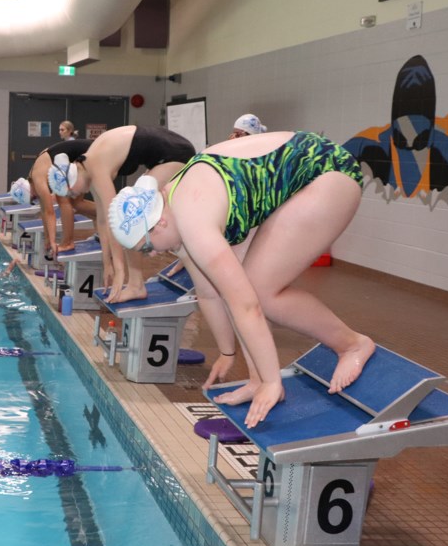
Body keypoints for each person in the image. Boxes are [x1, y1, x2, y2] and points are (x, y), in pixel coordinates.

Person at [107, 131, 375, 429]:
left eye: (147, 247)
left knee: (259, 293)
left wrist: (274, 383)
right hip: (302, 177)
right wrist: (227, 352)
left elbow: (247, 306)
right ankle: (258, 378)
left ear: (159, 223)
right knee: (244, 286)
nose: (156, 253)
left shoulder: (193, 220)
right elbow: (210, 293)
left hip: (328, 174)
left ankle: (351, 345)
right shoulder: (173, 204)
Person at [48, 125, 195, 303]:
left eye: (70, 192)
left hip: (176, 153)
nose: (74, 196)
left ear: (72, 179)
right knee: (134, 219)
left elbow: (116, 222)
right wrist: (107, 263)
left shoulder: (95, 166)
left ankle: (136, 285)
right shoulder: (87, 165)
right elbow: (102, 221)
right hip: (165, 153)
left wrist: (119, 272)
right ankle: (185, 257)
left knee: (131, 221)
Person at [10, 138, 96, 259]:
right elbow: (45, 211)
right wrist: (47, 238)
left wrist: (52, 241)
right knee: (77, 203)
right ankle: (103, 220)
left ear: (30, 190)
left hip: (91, 152)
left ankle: (68, 242)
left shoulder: (38, 180)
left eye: (33, 198)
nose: (36, 199)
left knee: (64, 200)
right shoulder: (35, 174)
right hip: (88, 152)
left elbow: (50, 213)